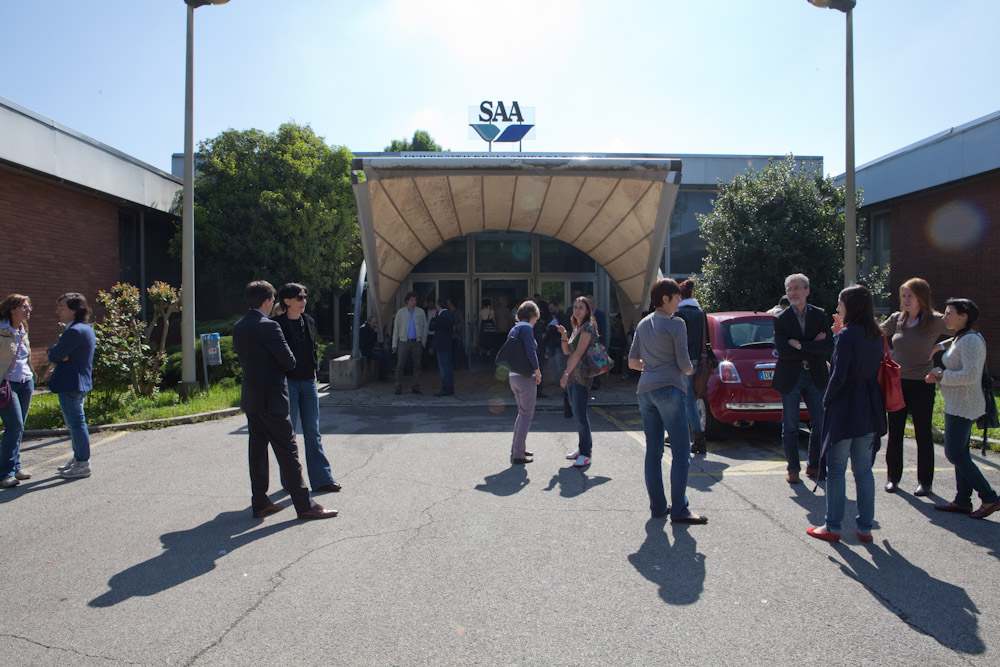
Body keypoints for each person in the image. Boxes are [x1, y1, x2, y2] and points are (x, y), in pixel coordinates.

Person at [232, 280, 336, 521]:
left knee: (257, 451)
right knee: (289, 452)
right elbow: (289, 360)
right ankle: (305, 505)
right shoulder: (269, 326)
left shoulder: (239, 326)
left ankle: (260, 502)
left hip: (251, 398)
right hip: (273, 398)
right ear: (268, 301)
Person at [806, 285, 886, 543]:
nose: (838, 307)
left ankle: (832, 526)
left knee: (837, 469)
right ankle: (865, 528)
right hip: (869, 404)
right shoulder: (876, 334)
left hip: (846, 405)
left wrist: (827, 400)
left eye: (840, 303)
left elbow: (839, 374)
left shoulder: (848, 335)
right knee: (863, 470)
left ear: (850, 305)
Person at [628, 278, 707, 524]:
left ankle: (658, 507)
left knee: (653, 451)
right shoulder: (677, 324)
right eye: (676, 297)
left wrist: (652, 367)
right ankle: (680, 509)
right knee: (681, 450)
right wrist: (690, 371)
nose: (680, 301)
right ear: (665, 299)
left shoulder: (643, 323)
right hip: (670, 388)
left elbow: (632, 362)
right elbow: (684, 364)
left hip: (645, 389)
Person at [927, 299, 1000, 519]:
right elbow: (954, 343)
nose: (944, 317)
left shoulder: (970, 341)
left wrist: (941, 375)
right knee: (961, 452)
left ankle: (989, 497)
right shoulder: (962, 336)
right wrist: (940, 346)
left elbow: (970, 375)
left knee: (954, 453)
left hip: (964, 404)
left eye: (949, 313)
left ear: (964, 316)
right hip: (958, 402)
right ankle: (962, 500)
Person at [879, 278, 952, 496]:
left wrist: (939, 348)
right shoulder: (897, 319)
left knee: (923, 432)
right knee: (895, 431)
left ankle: (925, 482)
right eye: (904, 295)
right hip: (897, 382)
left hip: (922, 382)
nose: (906, 300)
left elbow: (965, 333)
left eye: (911, 295)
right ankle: (893, 478)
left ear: (922, 297)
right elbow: (875, 334)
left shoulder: (935, 320)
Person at [273, 283, 341, 494]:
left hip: (309, 382)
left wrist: (314, 370)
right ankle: (291, 480)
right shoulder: (276, 324)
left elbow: (312, 348)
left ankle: (322, 479)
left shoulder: (308, 321)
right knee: (289, 433)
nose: (304, 301)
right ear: (287, 301)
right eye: (299, 297)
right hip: (289, 382)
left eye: (305, 296)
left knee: (312, 430)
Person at [773, 273, 833, 485]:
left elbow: (827, 346)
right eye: (789, 289)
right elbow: (784, 351)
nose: (793, 293)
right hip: (791, 376)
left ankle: (814, 464)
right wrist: (812, 344)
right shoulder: (780, 318)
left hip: (815, 375)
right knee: (790, 425)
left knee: (820, 423)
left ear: (807, 291)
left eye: (797, 288)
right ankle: (793, 468)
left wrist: (799, 344)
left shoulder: (819, 315)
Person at [48, 293, 96, 479]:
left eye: (62, 307)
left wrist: (55, 352)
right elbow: (59, 354)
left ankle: (82, 463)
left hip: (71, 383)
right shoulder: (84, 328)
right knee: (75, 423)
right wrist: (59, 353)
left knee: (76, 424)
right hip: (78, 382)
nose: (57, 311)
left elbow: (54, 355)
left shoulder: (74, 331)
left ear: (74, 310)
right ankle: (78, 458)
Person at [557, 296, 598, 467]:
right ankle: (582, 448)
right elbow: (567, 351)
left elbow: (579, 353)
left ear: (587, 310)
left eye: (581, 307)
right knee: (576, 413)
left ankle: (586, 453)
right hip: (573, 376)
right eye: (575, 307)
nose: (577, 310)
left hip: (582, 376)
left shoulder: (588, 327)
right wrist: (564, 335)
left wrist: (566, 374)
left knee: (580, 415)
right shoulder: (577, 328)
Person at [0, 294, 34, 488]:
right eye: (24, 306)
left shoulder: (23, 329)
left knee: (19, 427)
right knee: (14, 426)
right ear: (12, 309)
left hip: (25, 381)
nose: (28, 310)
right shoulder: (2, 330)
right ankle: (5, 474)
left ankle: (16, 466)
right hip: (6, 384)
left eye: (29, 307)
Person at [506, 300, 542, 464]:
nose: (536, 322)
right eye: (536, 319)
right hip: (525, 377)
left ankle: (517, 447)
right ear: (531, 315)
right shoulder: (527, 329)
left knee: (522, 414)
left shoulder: (514, 329)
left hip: (513, 375)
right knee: (527, 415)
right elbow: (530, 351)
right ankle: (518, 453)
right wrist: (537, 370)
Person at [675, 279, 708, 454]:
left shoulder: (679, 314)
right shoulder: (700, 312)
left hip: (683, 360)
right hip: (698, 359)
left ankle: (698, 438)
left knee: (685, 399)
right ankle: (686, 435)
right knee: (689, 399)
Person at [392, 292, 428, 395]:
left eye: (415, 300)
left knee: (417, 365)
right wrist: (394, 343)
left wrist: (423, 341)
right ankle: (398, 387)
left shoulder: (420, 312)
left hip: (417, 342)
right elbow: (396, 328)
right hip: (403, 341)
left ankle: (415, 386)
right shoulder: (400, 312)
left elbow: (425, 326)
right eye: (412, 300)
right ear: (407, 301)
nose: (413, 302)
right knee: (400, 365)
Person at [429, 298, 455, 396]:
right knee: (448, 367)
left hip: (441, 344)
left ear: (438, 305)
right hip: (448, 343)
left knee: (443, 367)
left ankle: (446, 388)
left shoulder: (442, 316)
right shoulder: (450, 314)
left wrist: (433, 317)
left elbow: (431, 327)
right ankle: (450, 387)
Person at [360, 315, 393, 382]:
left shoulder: (369, 328)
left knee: (384, 351)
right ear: (369, 322)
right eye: (374, 323)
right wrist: (375, 333)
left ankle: (390, 367)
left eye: (376, 323)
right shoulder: (364, 329)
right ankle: (382, 376)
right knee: (380, 356)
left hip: (369, 348)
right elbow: (370, 340)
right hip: (365, 350)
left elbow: (372, 341)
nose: (375, 324)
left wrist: (375, 333)